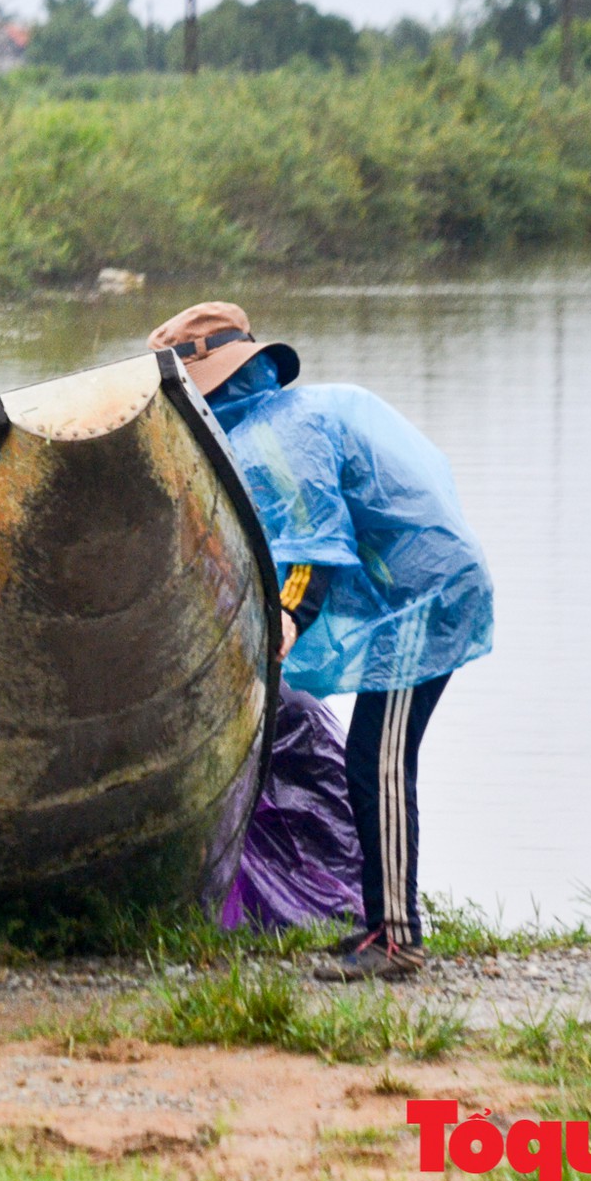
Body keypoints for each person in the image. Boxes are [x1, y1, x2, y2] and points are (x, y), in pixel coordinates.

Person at [149, 302, 494, 981]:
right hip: (418, 590)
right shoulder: (287, 416)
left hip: (422, 598)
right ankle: (383, 927)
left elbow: (312, 542)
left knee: (381, 761)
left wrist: (288, 613)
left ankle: (396, 939)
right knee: (373, 756)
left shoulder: (279, 432)